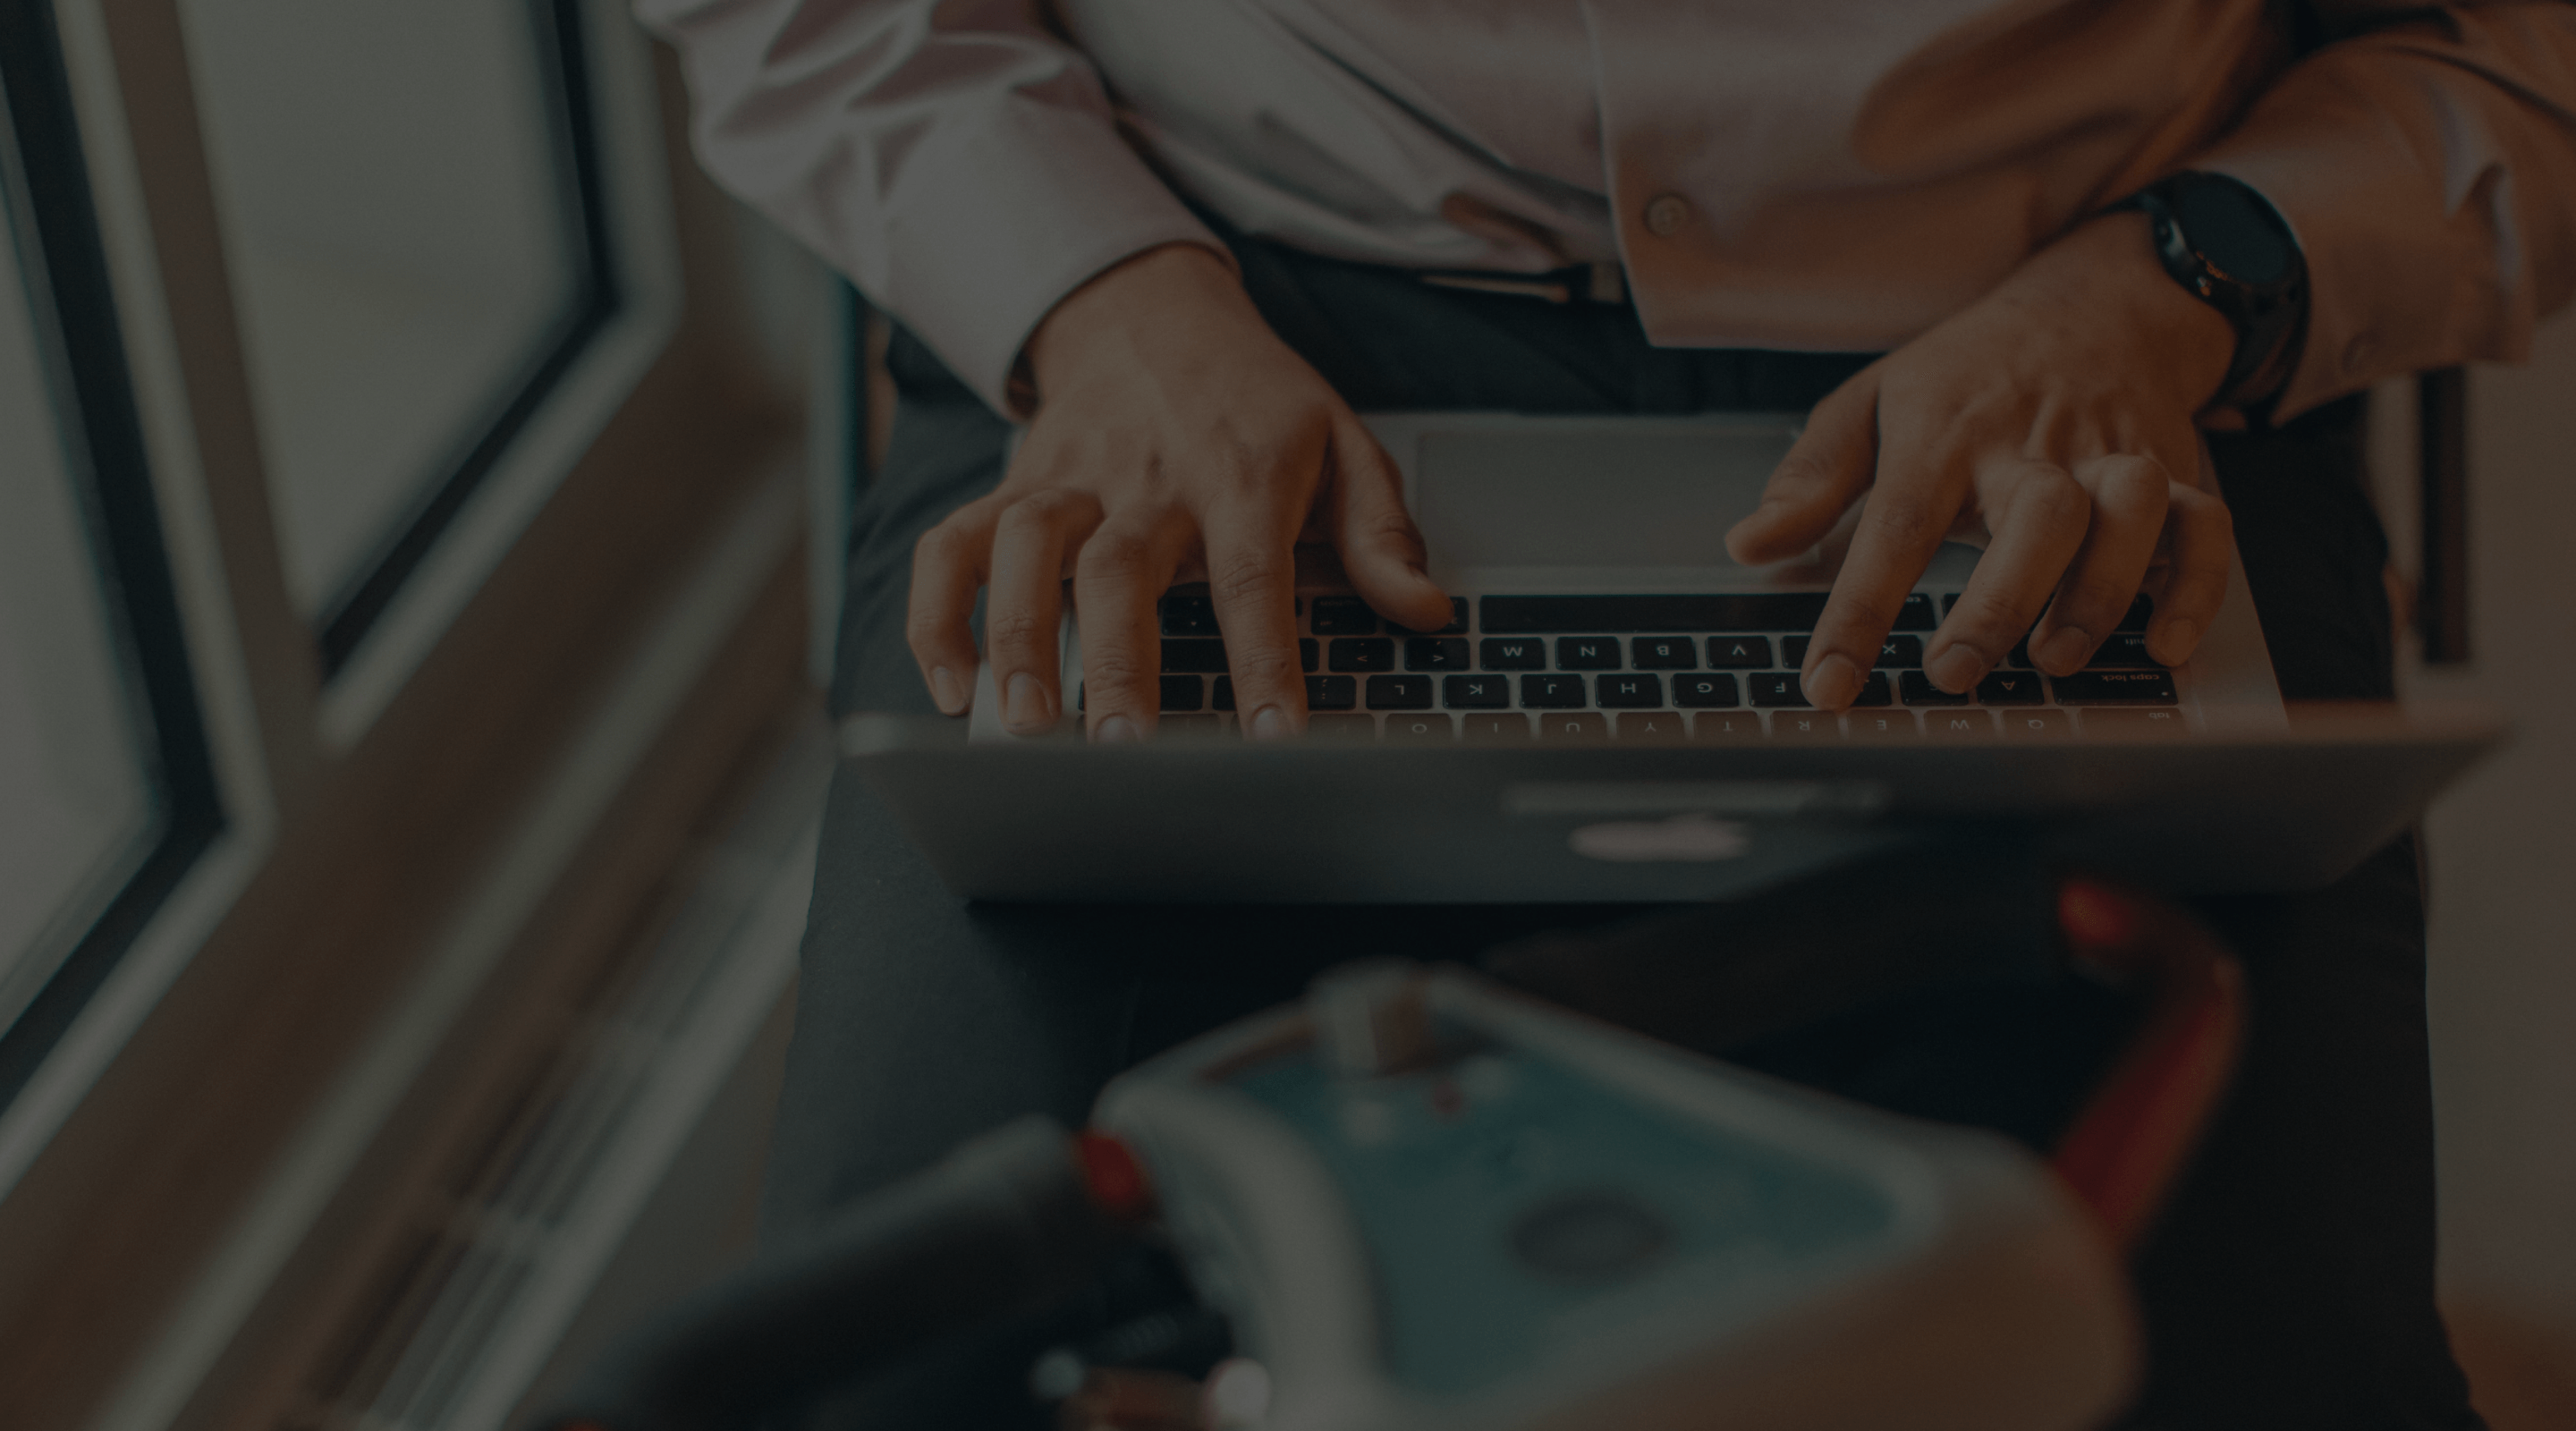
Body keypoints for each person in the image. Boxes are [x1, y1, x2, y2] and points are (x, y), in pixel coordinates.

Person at [638, 2, 2576, 1427]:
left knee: (2259, 1375)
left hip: (2068, 334)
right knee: (892, 1385)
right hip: (1212, 295)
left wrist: (2173, 286)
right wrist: (1098, 298)